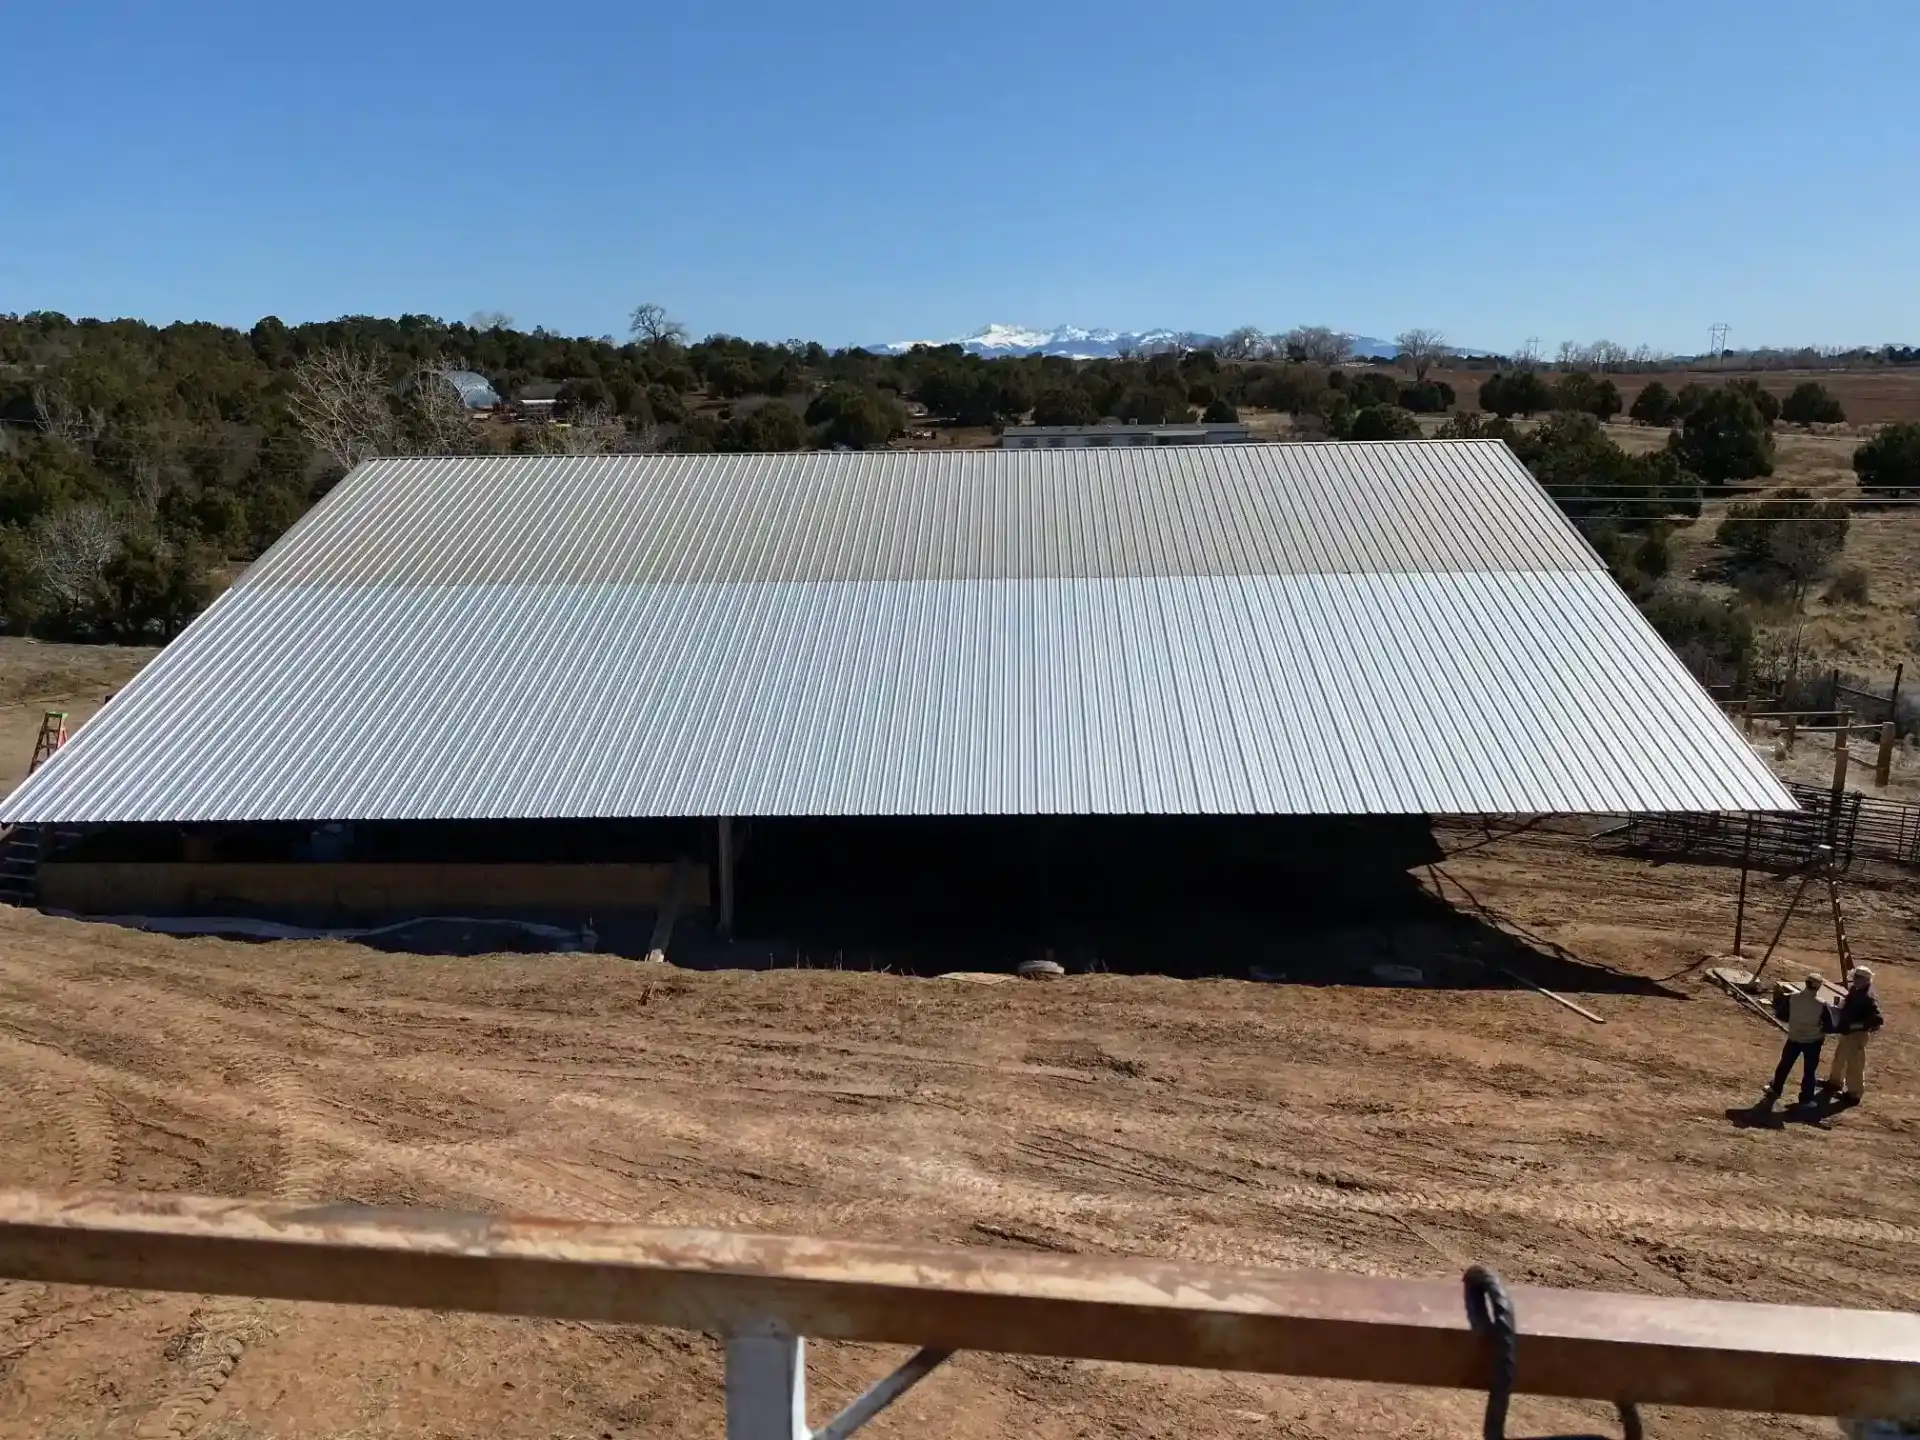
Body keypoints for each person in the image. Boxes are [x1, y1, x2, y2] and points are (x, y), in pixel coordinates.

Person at [1763, 972, 1831, 1109]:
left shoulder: (1792, 998)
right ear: (1818, 988)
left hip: (1794, 1037)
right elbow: (1828, 1024)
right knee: (1809, 1071)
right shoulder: (1822, 1004)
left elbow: (1782, 1014)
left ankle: (1775, 1088)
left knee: (1785, 1064)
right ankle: (1806, 1099)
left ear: (1806, 983)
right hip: (1812, 1041)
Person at [1821, 965, 1884, 1107]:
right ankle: (1835, 1082)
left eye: (1857, 977)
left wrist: (1853, 1026)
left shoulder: (1868, 998)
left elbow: (1877, 1020)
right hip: (1846, 1032)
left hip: (1857, 1035)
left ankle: (1854, 1094)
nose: (1854, 980)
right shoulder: (1855, 990)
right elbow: (1847, 1004)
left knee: (1855, 1064)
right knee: (1840, 1057)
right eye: (1854, 977)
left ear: (1866, 980)